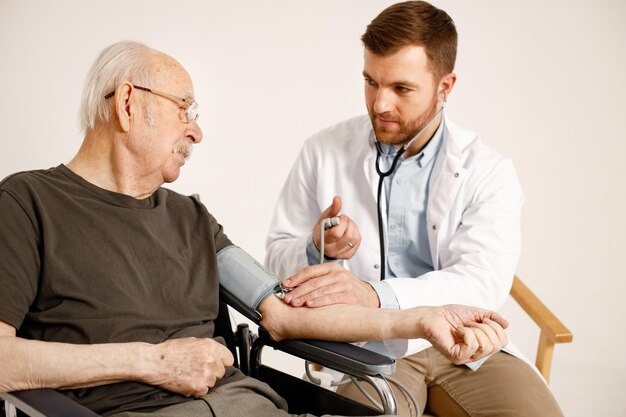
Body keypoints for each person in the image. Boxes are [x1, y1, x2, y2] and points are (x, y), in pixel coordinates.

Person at [0, 41, 508, 417]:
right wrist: (153, 363)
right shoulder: (26, 204)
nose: (197, 130)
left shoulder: (192, 219)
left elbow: (285, 314)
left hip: (250, 406)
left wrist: (422, 319)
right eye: (185, 110)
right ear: (130, 103)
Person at [265, 2, 564, 417]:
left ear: (445, 87)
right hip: (366, 348)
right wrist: (319, 247)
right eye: (371, 82)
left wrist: (374, 295)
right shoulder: (323, 151)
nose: (380, 104)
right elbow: (276, 260)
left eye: (401, 89)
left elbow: (481, 281)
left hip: (464, 344)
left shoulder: (488, 171)